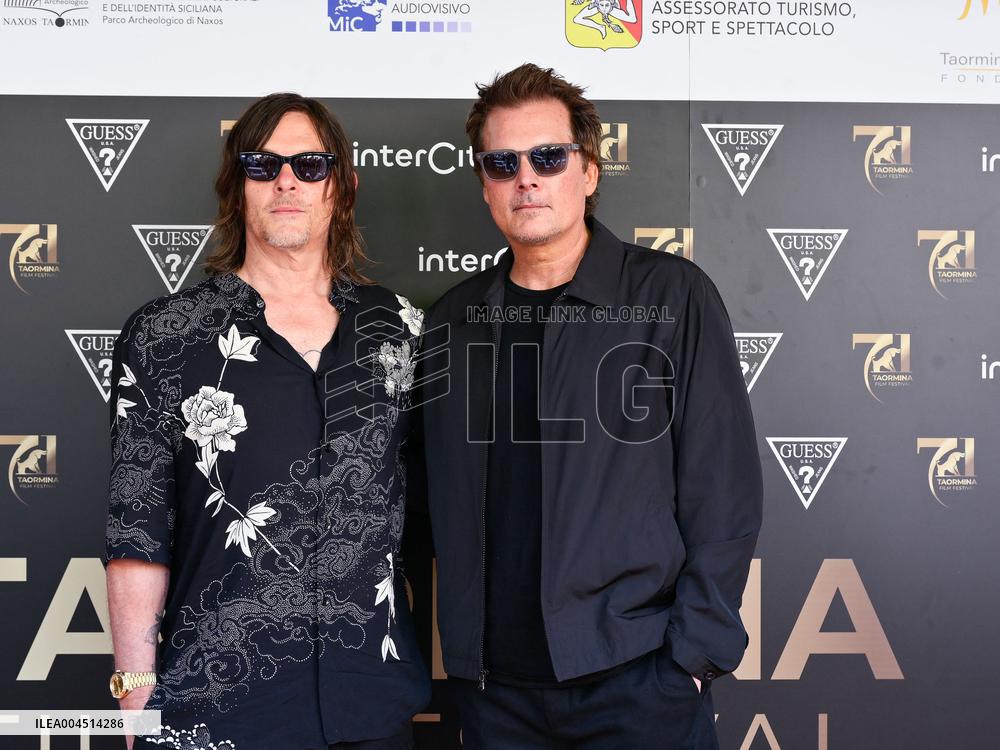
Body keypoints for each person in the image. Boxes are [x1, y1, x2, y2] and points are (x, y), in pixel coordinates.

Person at [413, 64, 763, 749]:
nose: (526, 178)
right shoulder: (453, 320)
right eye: (503, 162)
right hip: (494, 699)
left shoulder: (671, 297)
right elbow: (425, 497)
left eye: (548, 156)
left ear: (590, 171)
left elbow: (725, 494)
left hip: (637, 684)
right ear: (485, 184)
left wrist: (688, 665)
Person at [105, 92, 429, 750]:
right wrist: (134, 684)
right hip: (219, 708)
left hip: (372, 703)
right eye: (264, 164)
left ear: (341, 185)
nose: (288, 180)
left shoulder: (398, 328)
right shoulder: (165, 335)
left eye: (311, 164)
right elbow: (137, 527)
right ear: (236, 184)